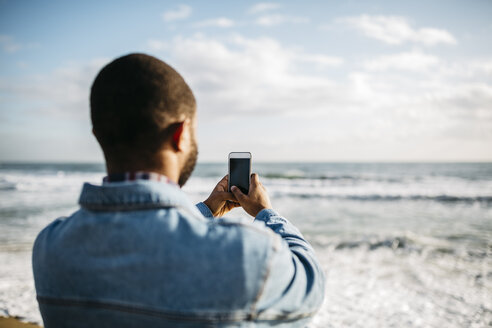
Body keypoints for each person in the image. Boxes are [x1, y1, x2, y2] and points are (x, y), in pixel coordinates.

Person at [32, 53, 325, 327]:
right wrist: (265, 212)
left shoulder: (50, 248)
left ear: (98, 136)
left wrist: (205, 211)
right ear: (181, 134)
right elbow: (311, 289)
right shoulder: (243, 254)